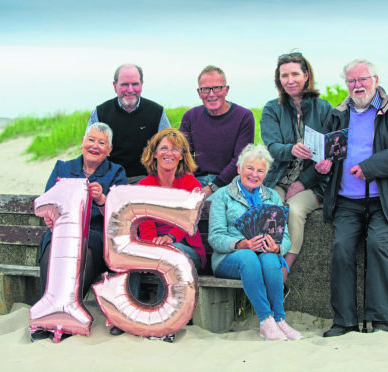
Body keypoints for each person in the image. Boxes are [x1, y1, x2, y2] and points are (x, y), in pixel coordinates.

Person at [318, 59, 388, 337]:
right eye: (352, 81)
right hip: (346, 201)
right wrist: (324, 164)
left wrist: (370, 167)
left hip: (384, 199)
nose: (357, 85)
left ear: (375, 79)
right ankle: (344, 321)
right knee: (341, 249)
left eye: (362, 79)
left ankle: (380, 320)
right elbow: (331, 152)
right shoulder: (337, 114)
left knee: (377, 245)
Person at [32, 122, 128, 341]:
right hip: (62, 230)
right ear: (83, 143)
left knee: (86, 245)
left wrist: (102, 200)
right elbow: (48, 200)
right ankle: (46, 308)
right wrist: (49, 216)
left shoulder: (116, 172)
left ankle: (67, 311)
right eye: (91, 140)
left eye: (101, 143)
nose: (95, 146)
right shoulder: (62, 167)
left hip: (95, 232)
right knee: (51, 241)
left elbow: (120, 217)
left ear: (109, 149)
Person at [109, 128, 206, 339]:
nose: (169, 153)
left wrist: (169, 238)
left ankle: (166, 324)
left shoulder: (192, 184)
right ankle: (126, 316)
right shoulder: (143, 185)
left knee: (169, 254)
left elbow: (188, 221)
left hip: (185, 248)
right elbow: (142, 220)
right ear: (154, 153)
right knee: (129, 256)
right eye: (164, 148)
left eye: (175, 149)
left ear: (182, 155)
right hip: (151, 245)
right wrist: (153, 244)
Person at [208, 143, 301, 341]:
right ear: (239, 168)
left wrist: (277, 248)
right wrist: (241, 243)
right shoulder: (223, 195)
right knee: (249, 256)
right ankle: (266, 320)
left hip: (263, 257)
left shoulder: (272, 196)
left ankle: (279, 319)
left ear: (265, 174)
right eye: (250, 168)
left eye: (260, 170)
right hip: (229, 258)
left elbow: (284, 239)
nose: (254, 174)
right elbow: (215, 237)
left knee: (270, 259)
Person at [260, 52, 333, 282]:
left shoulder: (324, 109)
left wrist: (303, 182)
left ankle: (283, 273)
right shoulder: (272, 108)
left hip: (316, 182)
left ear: (306, 75)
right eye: (284, 75)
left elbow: (330, 151)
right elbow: (272, 147)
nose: (290, 80)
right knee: (270, 204)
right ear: (278, 79)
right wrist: (291, 149)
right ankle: (265, 264)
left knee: (294, 209)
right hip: (279, 178)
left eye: (295, 74)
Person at [88, 63, 171, 184]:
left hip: (146, 179)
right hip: (110, 179)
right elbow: (89, 151)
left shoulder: (157, 112)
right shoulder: (100, 112)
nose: (130, 90)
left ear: (141, 85)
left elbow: (169, 149)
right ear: (115, 86)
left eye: (135, 84)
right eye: (124, 85)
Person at [180, 65, 255, 198]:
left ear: (226, 90)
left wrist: (212, 188)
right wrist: (191, 184)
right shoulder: (190, 117)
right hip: (197, 180)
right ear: (199, 92)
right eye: (205, 89)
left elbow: (240, 159)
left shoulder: (244, 117)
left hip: (229, 182)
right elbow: (184, 155)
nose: (211, 94)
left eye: (217, 88)